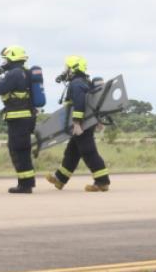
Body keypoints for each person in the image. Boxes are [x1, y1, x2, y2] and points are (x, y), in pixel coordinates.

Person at [46, 55, 111, 192]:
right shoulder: (83, 82)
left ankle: (102, 182)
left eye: (67, 68)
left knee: (89, 152)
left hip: (82, 124)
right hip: (85, 122)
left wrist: (76, 123)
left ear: (74, 69)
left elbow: (80, 103)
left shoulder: (76, 84)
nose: (65, 71)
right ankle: (60, 179)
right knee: (72, 152)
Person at [0, 45, 36, 194]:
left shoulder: (14, 74)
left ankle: (25, 185)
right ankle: (26, 183)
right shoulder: (26, 72)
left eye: (5, 59)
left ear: (11, 58)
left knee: (18, 150)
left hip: (18, 119)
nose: (4, 62)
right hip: (27, 118)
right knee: (23, 150)